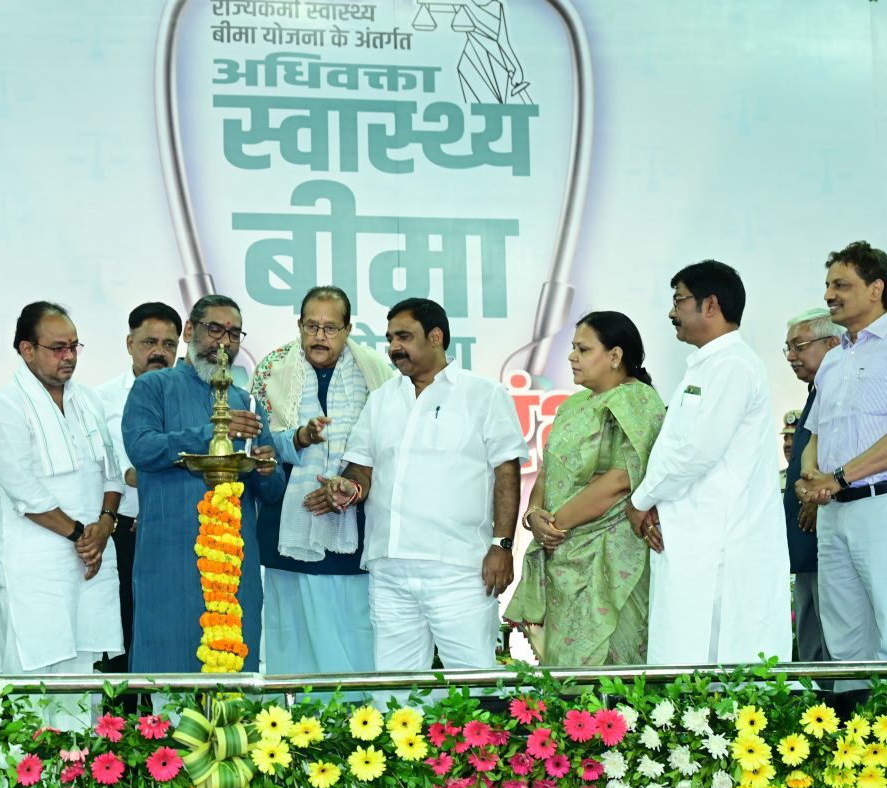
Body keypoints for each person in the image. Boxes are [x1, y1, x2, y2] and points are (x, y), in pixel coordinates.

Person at [312, 298, 527, 671]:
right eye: (390, 339)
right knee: (395, 688)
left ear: (436, 337)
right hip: (389, 566)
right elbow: (361, 469)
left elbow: (506, 472)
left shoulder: (483, 394)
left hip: (457, 567)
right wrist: (349, 488)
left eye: (404, 337)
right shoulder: (382, 399)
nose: (394, 347)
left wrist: (502, 545)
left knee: (473, 678)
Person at [625, 261, 792, 665]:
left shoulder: (733, 365)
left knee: (717, 660)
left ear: (711, 305)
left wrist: (641, 500)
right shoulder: (709, 365)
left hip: (721, 543)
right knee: (688, 658)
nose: (672, 312)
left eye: (679, 300)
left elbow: (698, 451)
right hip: (694, 537)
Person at [122, 294, 285, 673]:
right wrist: (213, 433)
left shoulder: (247, 402)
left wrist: (265, 469)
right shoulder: (153, 387)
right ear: (190, 331)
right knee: (168, 671)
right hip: (169, 557)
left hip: (234, 562)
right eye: (215, 329)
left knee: (233, 670)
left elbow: (273, 490)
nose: (224, 342)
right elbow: (141, 448)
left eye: (234, 333)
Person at [505, 311, 664, 666]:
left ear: (615, 355)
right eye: (573, 348)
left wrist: (555, 525)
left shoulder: (636, 399)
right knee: (565, 671)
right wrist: (535, 515)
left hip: (609, 553)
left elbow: (621, 479)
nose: (572, 356)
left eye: (583, 349)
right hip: (563, 552)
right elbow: (548, 471)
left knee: (611, 672)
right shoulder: (574, 404)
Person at [0, 301, 124, 677]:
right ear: (27, 350)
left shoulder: (89, 401)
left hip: (90, 561)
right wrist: (83, 537)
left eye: (74, 346)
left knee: (84, 679)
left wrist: (105, 526)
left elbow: (112, 475)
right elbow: (26, 493)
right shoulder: (7, 406)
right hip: (34, 566)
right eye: (58, 348)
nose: (69, 356)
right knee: (32, 683)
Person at [250, 286, 394, 674]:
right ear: (299, 325)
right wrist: (299, 437)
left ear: (348, 329)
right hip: (287, 520)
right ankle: (293, 711)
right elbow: (259, 444)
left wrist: (346, 487)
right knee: (292, 632)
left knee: (353, 629)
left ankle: (358, 710)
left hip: (356, 520)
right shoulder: (272, 371)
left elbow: (388, 447)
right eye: (311, 326)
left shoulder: (377, 373)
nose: (319, 336)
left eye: (331, 328)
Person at [796, 241, 887, 672]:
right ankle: (852, 715)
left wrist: (839, 478)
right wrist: (809, 476)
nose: (829, 294)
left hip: (877, 506)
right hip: (833, 514)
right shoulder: (832, 361)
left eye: (841, 285)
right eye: (828, 285)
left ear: (876, 289)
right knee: (843, 638)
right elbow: (815, 432)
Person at [94, 301, 183, 675]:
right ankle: (123, 712)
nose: (159, 352)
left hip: (178, 531)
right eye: (150, 342)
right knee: (123, 630)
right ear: (130, 344)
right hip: (123, 532)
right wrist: (145, 474)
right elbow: (110, 469)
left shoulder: (191, 398)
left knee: (173, 629)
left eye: (169, 344)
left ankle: (173, 709)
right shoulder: (100, 401)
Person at [781, 308, 841, 664]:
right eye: (788, 348)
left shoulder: (841, 392)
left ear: (832, 344)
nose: (791, 356)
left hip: (828, 527)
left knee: (834, 639)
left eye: (799, 346)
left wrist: (821, 497)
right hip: (806, 541)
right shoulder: (815, 392)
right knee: (810, 643)